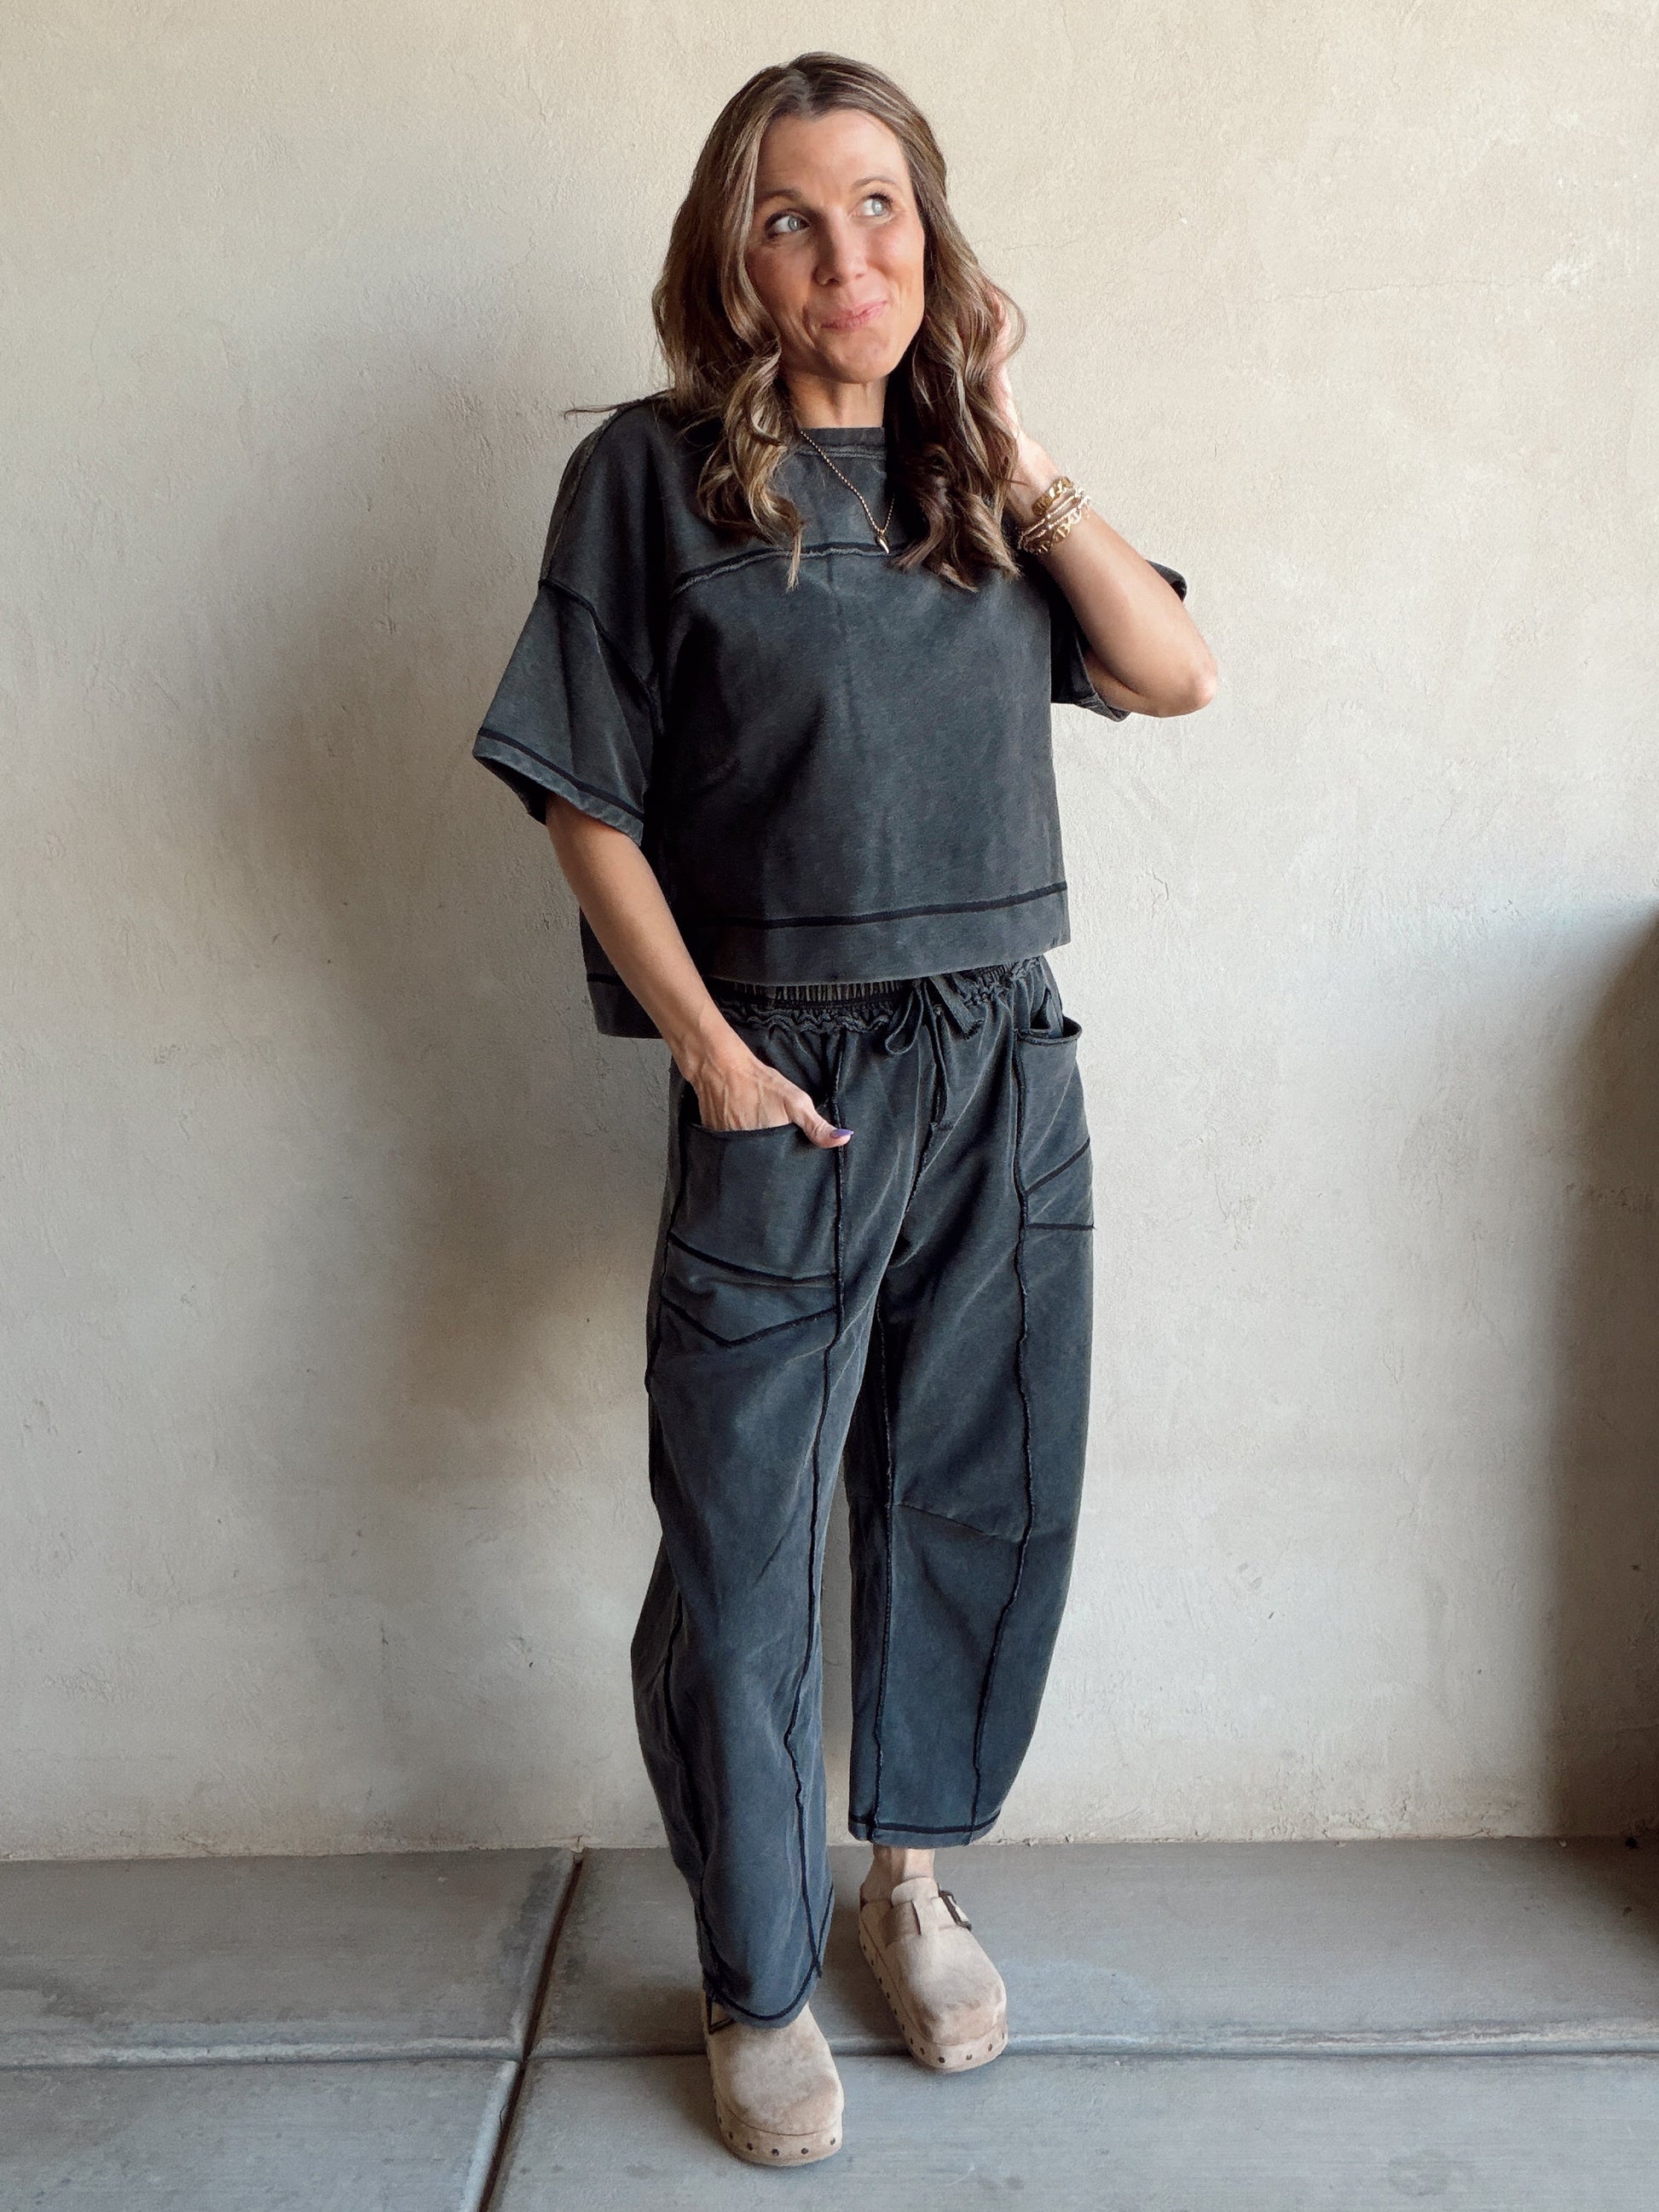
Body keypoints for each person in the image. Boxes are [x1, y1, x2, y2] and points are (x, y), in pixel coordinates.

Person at [471, 50, 1217, 2169]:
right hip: (785, 1063)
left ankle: (909, 1877)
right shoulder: (650, 479)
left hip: (1001, 1052)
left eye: (877, 203)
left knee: (971, 1484)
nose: (843, 252)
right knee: (739, 1534)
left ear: (932, 228)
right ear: (734, 254)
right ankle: (753, 1969)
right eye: (790, 216)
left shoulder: (976, 478)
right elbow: (579, 794)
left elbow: (1171, 670)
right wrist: (713, 1051)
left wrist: (1021, 442)